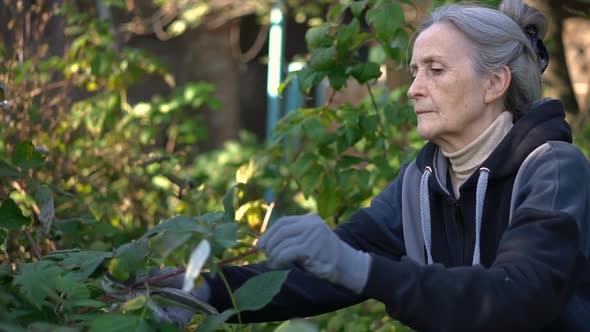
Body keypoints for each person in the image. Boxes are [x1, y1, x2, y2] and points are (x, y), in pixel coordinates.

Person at [147, 0, 590, 330]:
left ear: (495, 82)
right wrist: (204, 291)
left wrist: (358, 269)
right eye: (414, 71)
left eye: (435, 69)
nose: (414, 89)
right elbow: (325, 271)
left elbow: (520, 296)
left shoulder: (550, 168)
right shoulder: (420, 181)